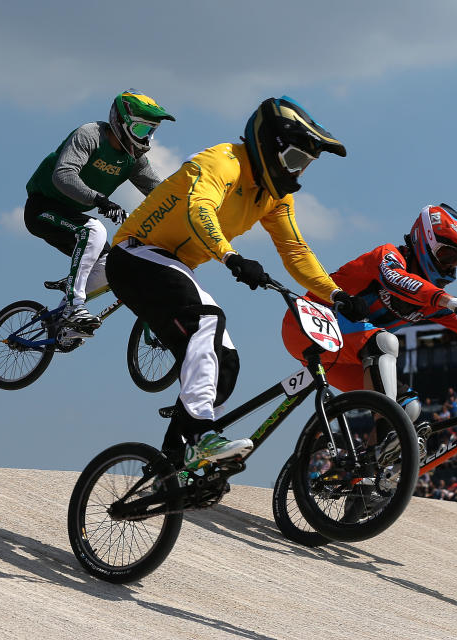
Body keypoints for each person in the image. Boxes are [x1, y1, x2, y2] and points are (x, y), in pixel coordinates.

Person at [106, 95, 367, 469]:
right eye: (296, 160)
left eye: (306, 165)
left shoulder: (274, 198)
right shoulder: (222, 161)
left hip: (173, 265)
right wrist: (231, 256)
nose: (297, 174)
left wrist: (337, 294)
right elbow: (199, 209)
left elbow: (295, 251)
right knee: (207, 319)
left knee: (226, 360)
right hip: (136, 256)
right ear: (269, 148)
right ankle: (201, 434)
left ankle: (175, 461)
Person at [281, 203, 457, 428]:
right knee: (384, 343)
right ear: (424, 242)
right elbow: (395, 279)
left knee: (409, 407)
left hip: (345, 355)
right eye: (446, 255)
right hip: (304, 324)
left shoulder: (435, 301)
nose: (450, 267)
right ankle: (379, 443)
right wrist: (444, 298)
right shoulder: (388, 255)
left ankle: (367, 484)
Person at [24, 90, 175, 332]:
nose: (146, 138)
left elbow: (159, 194)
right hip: (43, 208)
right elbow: (63, 174)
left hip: (73, 218)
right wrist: (101, 200)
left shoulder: (134, 159)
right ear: (121, 123)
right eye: (141, 130)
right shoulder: (90, 135)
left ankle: (64, 321)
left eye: (150, 132)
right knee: (94, 230)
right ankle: (75, 306)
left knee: (111, 265)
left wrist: (190, 213)